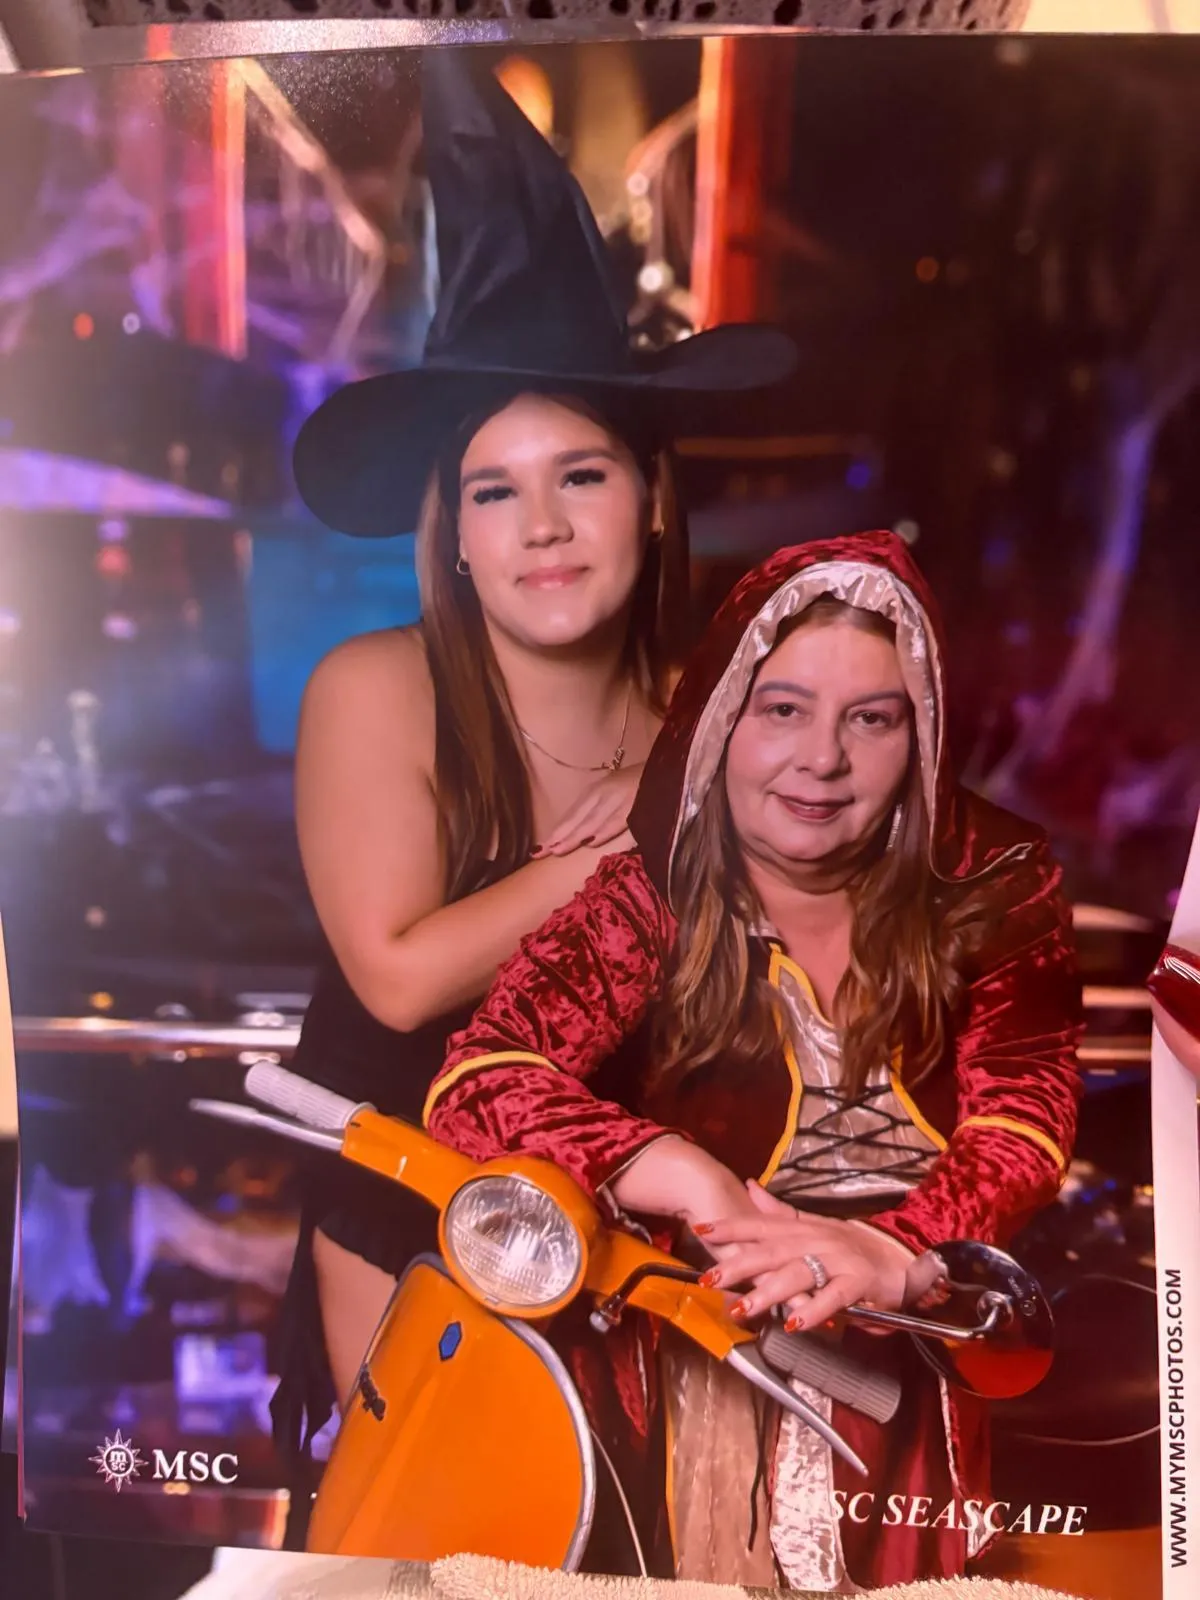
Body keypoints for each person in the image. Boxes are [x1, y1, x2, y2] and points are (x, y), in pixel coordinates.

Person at [268, 45, 798, 1524]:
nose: (541, 526)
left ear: (653, 497)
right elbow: (392, 977)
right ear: (449, 529)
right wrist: (603, 854)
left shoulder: (722, 715)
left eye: (582, 476)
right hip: (418, 1218)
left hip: (663, 1254)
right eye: (494, 490)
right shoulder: (376, 687)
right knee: (433, 1554)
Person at [424, 530, 1085, 1592]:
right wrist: (684, 1173)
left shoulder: (995, 879)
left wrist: (898, 1248)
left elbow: (1025, 1119)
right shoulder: (653, 896)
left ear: (922, 732)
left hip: (912, 1358)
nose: (822, 759)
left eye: (872, 718)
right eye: (783, 709)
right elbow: (479, 1079)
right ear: (721, 715)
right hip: (708, 1361)